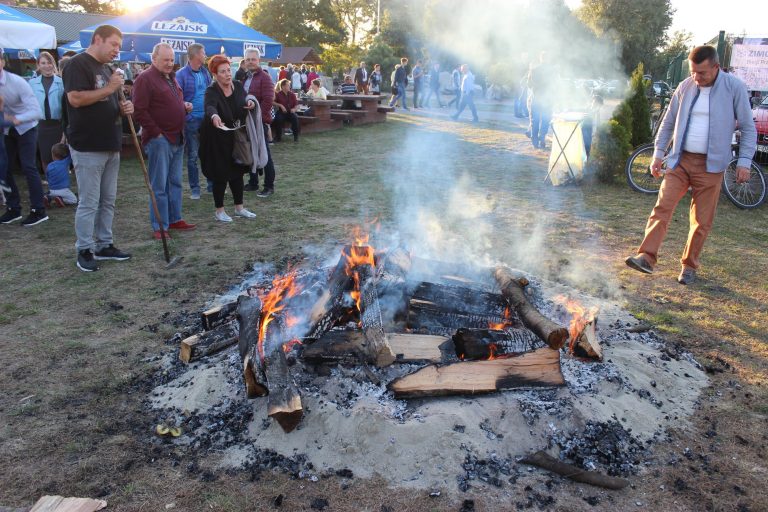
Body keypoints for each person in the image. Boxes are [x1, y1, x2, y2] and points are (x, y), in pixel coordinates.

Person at [625, 45, 757, 285]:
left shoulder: (733, 87)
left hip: (711, 166)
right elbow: (668, 123)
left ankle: (688, 267)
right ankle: (646, 257)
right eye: (693, 72)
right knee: (662, 207)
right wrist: (658, 153)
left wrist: (745, 161)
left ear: (716, 67)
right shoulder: (685, 86)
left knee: (701, 221)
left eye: (702, 73)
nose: (696, 77)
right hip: (680, 161)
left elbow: (748, 128)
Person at [62, 25, 134, 271]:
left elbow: (109, 102)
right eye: (113, 44)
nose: (117, 50)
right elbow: (75, 99)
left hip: (110, 142)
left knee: (108, 200)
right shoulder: (77, 64)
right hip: (88, 144)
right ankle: (84, 248)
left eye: (118, 46)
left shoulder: (107, 69)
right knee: (89, 201)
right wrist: (111, 88)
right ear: (97, 39)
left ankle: (104, 244)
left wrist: (125, 109)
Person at [132, 42, 196, 240]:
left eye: (171, 60)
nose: (170, 63)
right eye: (165, 60)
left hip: (177, 137)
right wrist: (156, 132)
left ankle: (175, 218)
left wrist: (182, 106)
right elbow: (139, 109)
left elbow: (169, 102)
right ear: (154, 59)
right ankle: (160, 226)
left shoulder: (171, 78)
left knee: (175, 182)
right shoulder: (145, 79)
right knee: (159, 185)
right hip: (160, 140)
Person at [198, 54, 259, 222]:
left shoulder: (238, 86)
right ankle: (220, 211)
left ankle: (239, 208)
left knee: (237, 171)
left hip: (235, 136)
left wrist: (251, 104)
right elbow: (210, 106)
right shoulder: (212, 90)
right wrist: (214, 116)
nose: (227, 74)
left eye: (228, 70)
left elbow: (246, 99)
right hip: (216, 137)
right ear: (215, 75)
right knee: (221, 173)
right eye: (222, 71)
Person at [0, 48, 46, 227]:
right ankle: (13, 208)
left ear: (2, 61)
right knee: (4, 168)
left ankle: (38, 210)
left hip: (26, 126)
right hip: (6, 129)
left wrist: (15, 119)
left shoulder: (17, 82)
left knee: (28, 166)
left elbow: (36, 111)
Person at [175, 43, 212, 199]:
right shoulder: (181, 74)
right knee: (192, 156)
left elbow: (210, 93)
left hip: (207, 119)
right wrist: (187, 115)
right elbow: (177, 98)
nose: (205, 55)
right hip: (191, 121)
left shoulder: (205, 72)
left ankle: (211, 185)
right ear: (196, 55)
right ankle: (195, 189)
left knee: (209, 154)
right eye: (203, 53)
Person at [242, 48, 276, 197]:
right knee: (251, 152)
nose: (250, 62)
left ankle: (269, 185)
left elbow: (268, 101)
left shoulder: (265, 77)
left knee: (264, 153)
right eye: (248, 59)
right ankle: (253, 182)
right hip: (247, 121)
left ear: (259, 60)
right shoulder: (246, 77)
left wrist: (259, 119)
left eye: (253, 59)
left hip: (259, 121)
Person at [28, 52, 65, 173]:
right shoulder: (32, 84)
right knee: (45, 155)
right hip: (41, 125)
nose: (47, 66)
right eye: (43, 63)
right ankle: (50, 182)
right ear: (38, 65)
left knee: (60, 155)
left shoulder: (61, 82)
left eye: (49, 62)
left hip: (58, 124)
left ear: (53, 64)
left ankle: (61, 182)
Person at [527, 52, 556, 149]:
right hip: (548, 99)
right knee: (545, 119)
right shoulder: (553, 70)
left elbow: (529, 85)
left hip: (536, 97)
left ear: (541, 59)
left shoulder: (534, 70)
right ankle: (542, 136)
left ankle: (534, 139)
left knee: (534, 119)